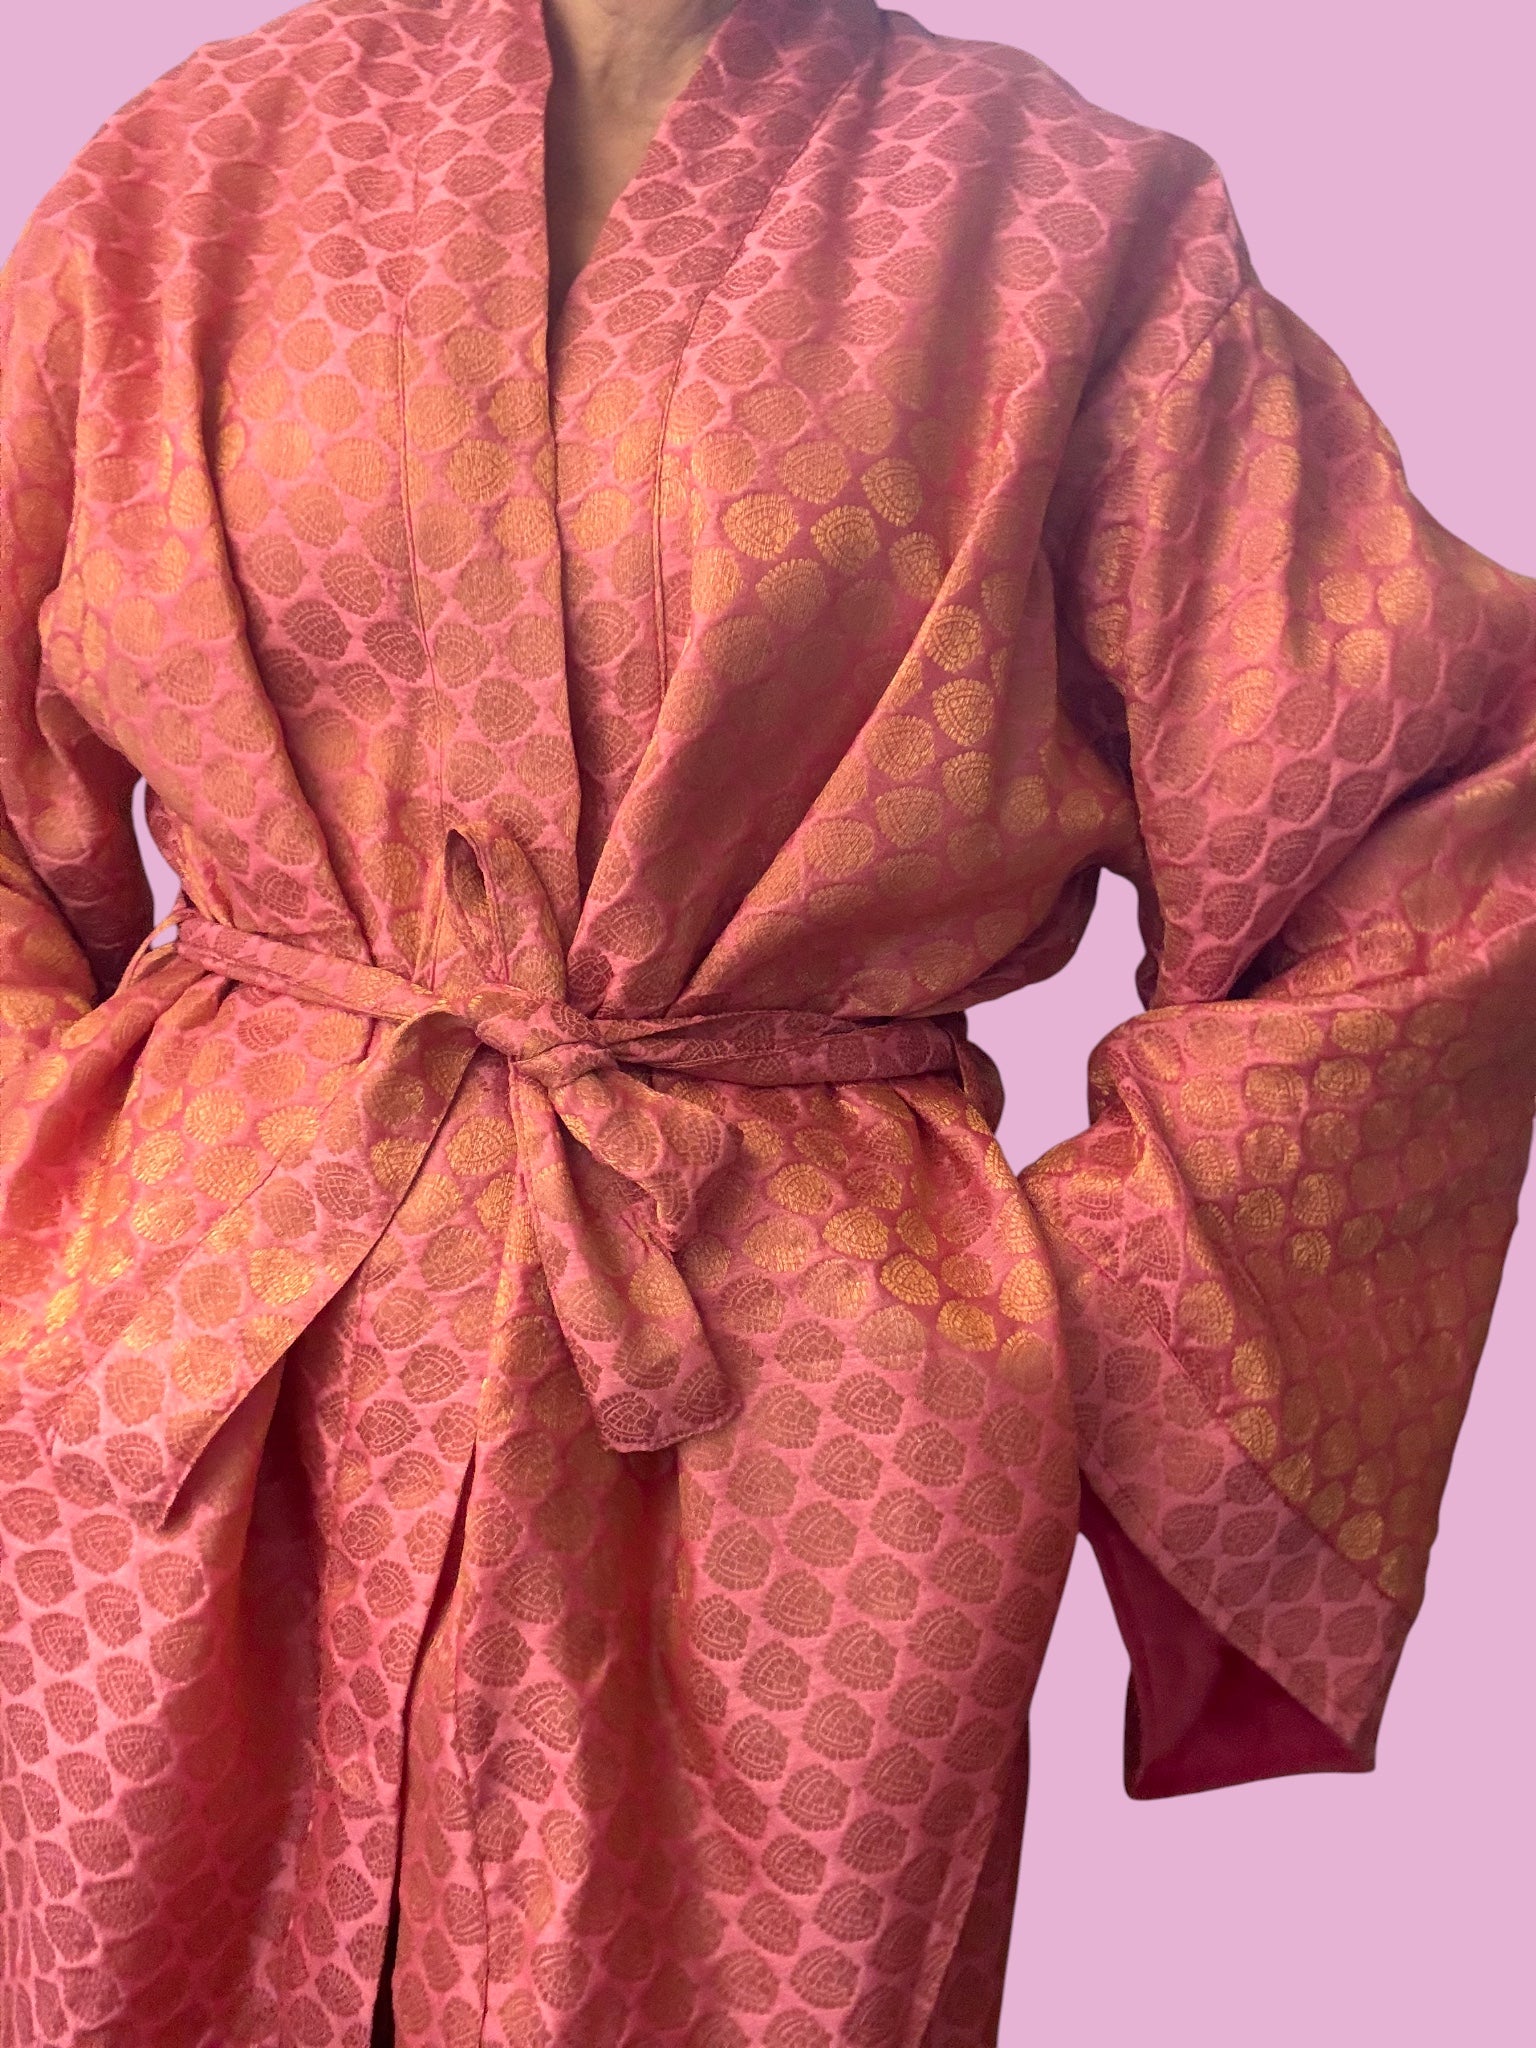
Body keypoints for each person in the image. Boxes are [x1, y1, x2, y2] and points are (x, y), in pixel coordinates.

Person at [0, 0, 1530, 2042]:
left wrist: (1059, 1327)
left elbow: (1423, 817)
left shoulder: (1063, 223)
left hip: (793, 1436)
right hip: (196, 1370)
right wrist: (51, 1228)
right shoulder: (198, 172)